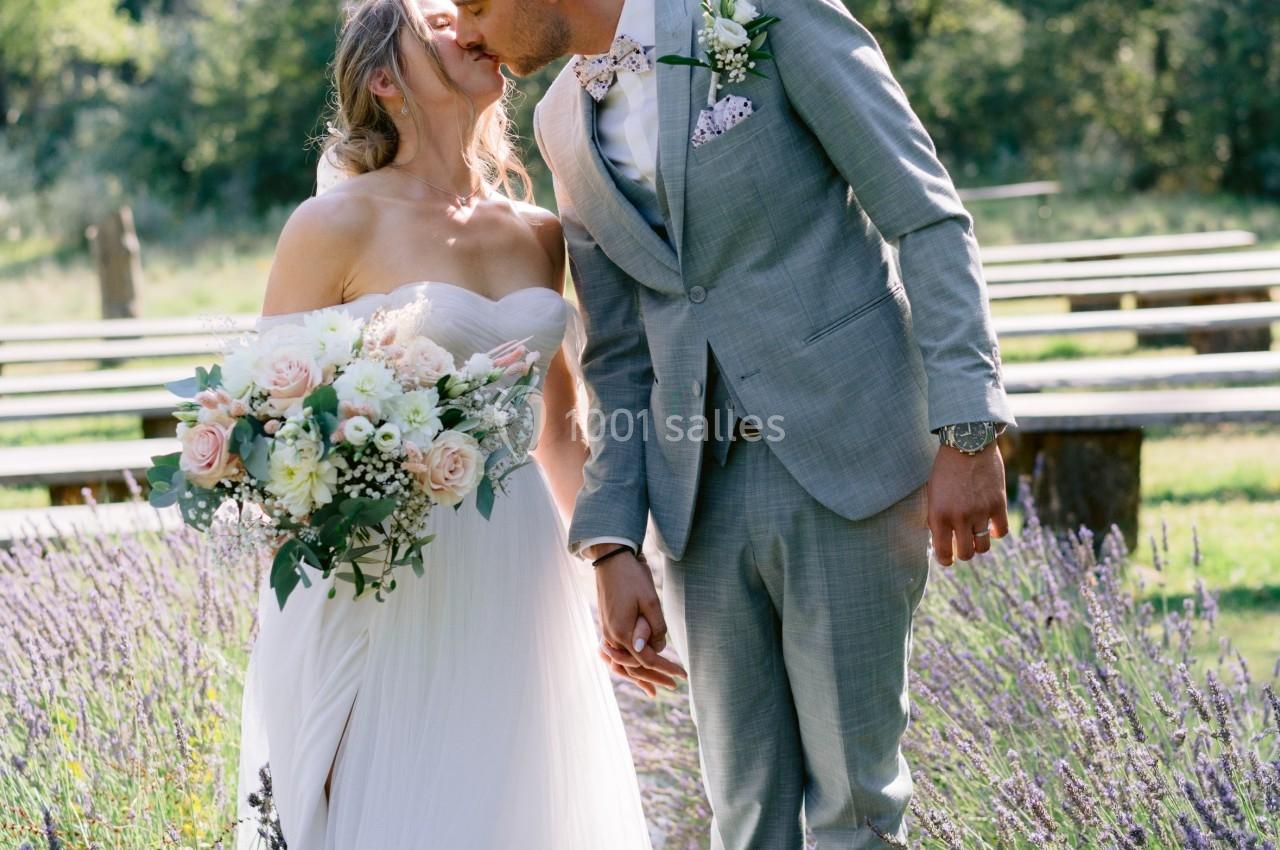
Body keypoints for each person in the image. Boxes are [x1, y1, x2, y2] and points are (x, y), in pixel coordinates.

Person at [455, 0, 1018, 846]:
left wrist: (969, 427)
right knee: (744, 810)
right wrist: (611, 542)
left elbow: (926, 216)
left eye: (474, 5)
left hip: (847, 456)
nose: (464, 30)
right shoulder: (562, 119)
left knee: (855, 806)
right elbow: (616, 355)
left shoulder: (767, 16)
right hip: (696, 500)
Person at [233, 1, 662, 846]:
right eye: (438, 21)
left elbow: (558, 426)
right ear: (385, 81)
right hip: (381, 576)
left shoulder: (540, 233)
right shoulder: (333, 224)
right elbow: (266, 431)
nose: (469, 23)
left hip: (516, 576)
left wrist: (613, 558)